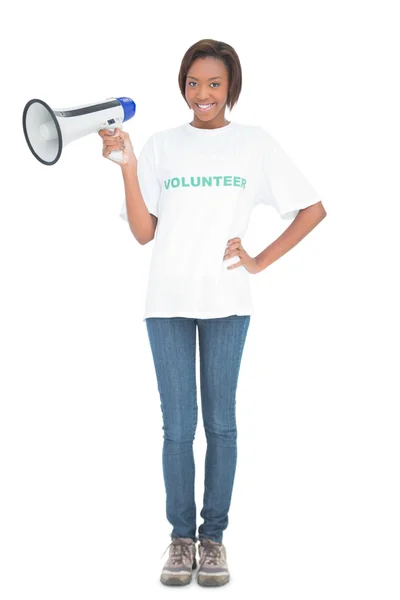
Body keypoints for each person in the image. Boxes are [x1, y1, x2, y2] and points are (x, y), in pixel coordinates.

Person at [99, 38, 327, 587]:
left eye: (214, 83)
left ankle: (214, 539)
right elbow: (142, 233)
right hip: (167, 303)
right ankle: (181, 541)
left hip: (227, 303)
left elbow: (312, 209)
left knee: (221, 425)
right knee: (178, 428)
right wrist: (127, 166)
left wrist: (258, 261)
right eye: (194, 82)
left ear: (232, 88)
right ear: (183, 85)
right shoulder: (158, 145)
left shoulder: (255, 144)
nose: (203, 93)